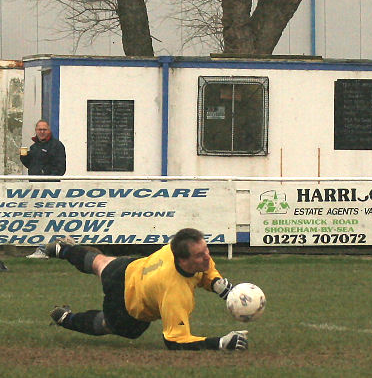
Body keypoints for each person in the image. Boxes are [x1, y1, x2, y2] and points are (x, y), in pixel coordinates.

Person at [46, 228, 249, 351]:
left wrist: (217, 284)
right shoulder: (175, 294)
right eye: (200, 255)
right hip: (126, 307)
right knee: (109, 325)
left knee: (100, 262)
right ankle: (66, 319)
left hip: (129, 268)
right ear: (183, 260)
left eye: (206, 250)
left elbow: (205, 268)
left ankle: (62, 249)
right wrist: (221, 343)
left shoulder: (177, 246)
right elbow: (175, 341)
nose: (207, 257)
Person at [21, 120, 67, 259]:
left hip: (49, 188)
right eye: (39, 129)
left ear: (49, 130)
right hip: (35, 188)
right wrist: (24, 158)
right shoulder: (34, 147)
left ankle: (46, 248)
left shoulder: (56, 146)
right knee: (38, 218)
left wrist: (47, 177)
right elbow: (31, 166)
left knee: (49, 218)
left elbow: (60, 168)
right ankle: (43, 248)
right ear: (36, 130)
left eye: (44, 129)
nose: (42, 132)